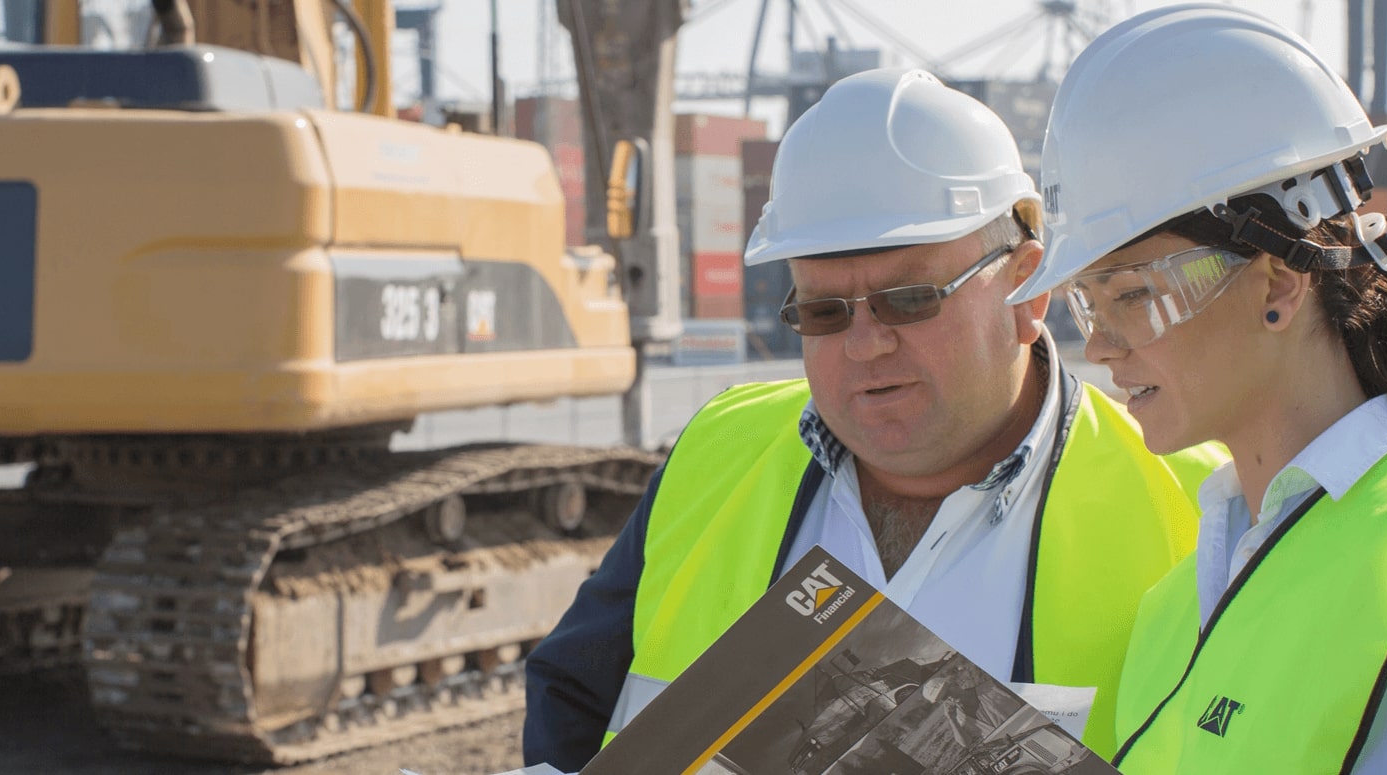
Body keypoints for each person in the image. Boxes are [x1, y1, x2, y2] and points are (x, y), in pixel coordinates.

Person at [522, 66, 1225, 771]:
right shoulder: (718, 452)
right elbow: (572, 697)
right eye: (824, 312)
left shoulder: (1201, 512)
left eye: (910, 300)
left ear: (1027, 289)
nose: (865, 345)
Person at [1008, 5, 1387, 773]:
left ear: (1279, 283)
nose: (1097, 345)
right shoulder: (1172, 609)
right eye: (1088, 304)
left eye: (1132, 294)